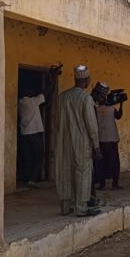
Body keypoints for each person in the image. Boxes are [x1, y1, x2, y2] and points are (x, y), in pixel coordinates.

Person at [54, 65, 102, 217]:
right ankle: (81, 207)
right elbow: (91, 124)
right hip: (82, 142)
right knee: (82, 173)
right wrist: (96, 146)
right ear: (87, 80)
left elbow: (56, 122)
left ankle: (65, 207)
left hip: (64, 141)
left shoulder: (62, 97)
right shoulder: (86, 99)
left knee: (64, 171)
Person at [92, 82, 124, 190]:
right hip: (104, 139)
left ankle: (110, 184)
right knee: (107, 163)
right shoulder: (94, 107)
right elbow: (118, 116)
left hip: (109, 139)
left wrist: (121, 104)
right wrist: (121, 104)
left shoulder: (107, 108)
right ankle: (106, 184)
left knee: (109, 162)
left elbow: (118, 116)